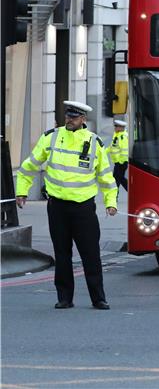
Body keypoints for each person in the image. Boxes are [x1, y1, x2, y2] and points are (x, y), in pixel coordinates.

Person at [15, 101, 118, 310]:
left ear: (83, 120)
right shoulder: (50, 137)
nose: (69, 120)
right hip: (57, 207)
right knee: (62, 253)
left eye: (74, 117)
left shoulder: (95, 142)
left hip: (83, 208)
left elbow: (106, 178)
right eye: (67, 116)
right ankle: (64, 297)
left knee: (91, 254)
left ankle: (98, 298)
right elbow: (29, 166)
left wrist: (111, 203)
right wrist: (22, 190)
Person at [110, 119, 129, 191]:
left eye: (116, 126)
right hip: (118, 162)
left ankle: (115, 195)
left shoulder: (122, 137)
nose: (115, 128)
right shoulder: (117, 135)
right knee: (119, 178)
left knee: (117, 178)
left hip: (121, 163)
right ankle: (130, 190)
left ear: (121, 128)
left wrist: (120, 162)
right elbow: (113, 147)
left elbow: (124, 150)